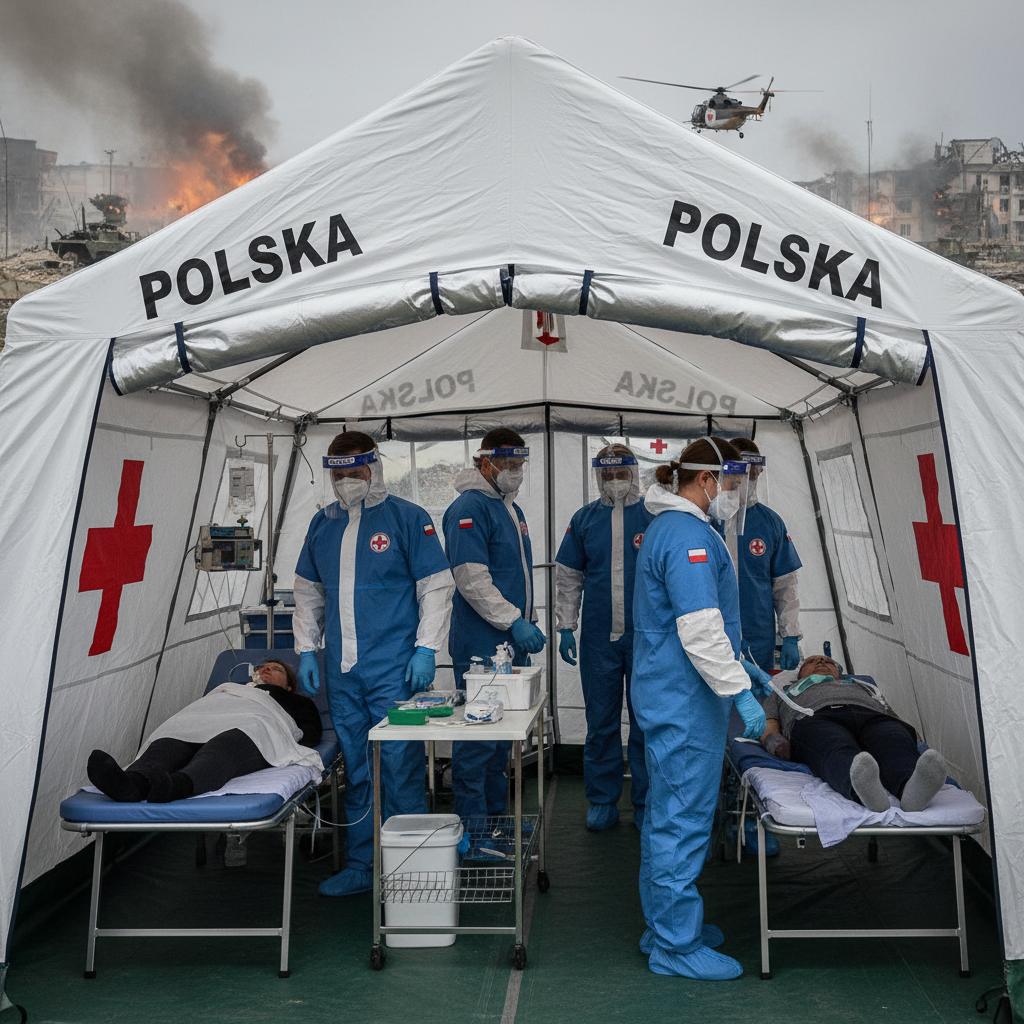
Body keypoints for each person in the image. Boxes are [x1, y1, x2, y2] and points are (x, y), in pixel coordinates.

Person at [632, 436, 773, 982]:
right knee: (681, 820)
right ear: (707, 480)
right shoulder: (687, 535)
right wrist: (738, 689)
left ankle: (662, 925)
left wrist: (742, 667)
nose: (735, 490)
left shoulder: (675, 528)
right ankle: (675, 943)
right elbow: (699, 628)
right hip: (686, 701)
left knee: (667, 814)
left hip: (674, 693)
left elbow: (701, 623)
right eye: (731, 480)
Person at [293, 431, 454, 896]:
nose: (347, 480)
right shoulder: (322, 524)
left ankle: (410, 867)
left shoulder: (408, 518)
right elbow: (308, 591)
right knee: (357, 767)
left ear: (375, 468)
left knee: (400, 765)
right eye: (339, 473)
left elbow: (436, 587)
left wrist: (427, 648)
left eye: (356, 471)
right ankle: (363, 864)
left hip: (394, 667)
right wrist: (306, 649)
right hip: (343, 671)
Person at [443, 427, 545, 827]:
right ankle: (474, 826)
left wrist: (527, 619)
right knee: (478, 738)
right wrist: (513, 620)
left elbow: (516, 574)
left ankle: (496, 821)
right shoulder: (469, 508)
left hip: (507, 642)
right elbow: (472, 580)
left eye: (520, 464)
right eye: (507, 464)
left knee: (501, 735)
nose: (515, 472)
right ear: (484, 463)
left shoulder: (509, 509)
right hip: (481, 642)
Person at [555, 443, 652, 832]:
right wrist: (565, 625)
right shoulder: (584, 520)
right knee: (601, 719)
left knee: (647, 721)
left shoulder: (655, 515)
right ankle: (601, 799)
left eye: (620, 473)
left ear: (634, 473)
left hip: (647, 637)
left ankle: (647, 801)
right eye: (606, 474)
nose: (614, 481)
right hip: (599, 637)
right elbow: (568, 577)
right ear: (598, 476)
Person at [86, 659, 322, 803]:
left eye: (276, 668)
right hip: (206, 718)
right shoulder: (232, 689)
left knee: (228, 742)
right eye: (262, 666)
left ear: (289, 686)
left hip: (252, 727)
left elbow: (310, 733)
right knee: (172, 737)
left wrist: (283, 733)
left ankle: (175, 786)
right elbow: (207, 706)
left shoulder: (296, 702)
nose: (266, 668)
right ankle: (131, 785)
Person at [759, 654, 947, 812]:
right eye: (812, 661)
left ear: (838, 672)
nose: (821, 662)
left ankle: (911, 790)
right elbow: (768, 720)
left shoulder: (863, 686)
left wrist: (913, 739)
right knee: (834, 746)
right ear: (799, 674)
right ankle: (865, 791)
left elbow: (890, 713)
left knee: (893, 740)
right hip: (815, 717)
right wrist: (773, 740)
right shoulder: (782, 691)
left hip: (872, 716)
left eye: (828, 661)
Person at [728, 437, 803, 673]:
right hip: (713, 634)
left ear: (760, 472)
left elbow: (785, 585)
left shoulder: (770, 523)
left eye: (752, 472)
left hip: (758, 635)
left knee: (758, 693)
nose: (746, 479)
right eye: (740, 471)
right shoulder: (709, 519)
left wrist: (790, 635)